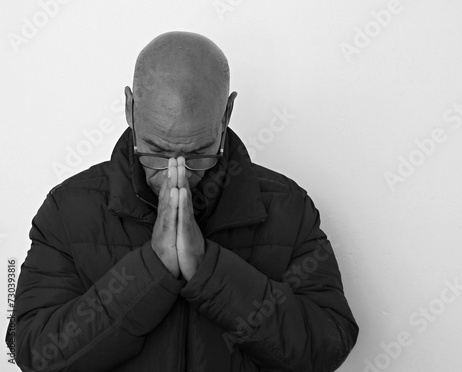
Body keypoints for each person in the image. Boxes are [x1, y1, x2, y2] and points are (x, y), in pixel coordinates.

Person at [6, 31, 358, 372]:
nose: (177, 174)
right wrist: (151, 268)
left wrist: (209, 270)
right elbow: (36, 353)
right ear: (130, 108)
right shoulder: (68, 210)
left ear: (227, 114)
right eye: (156, 152)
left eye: (199, 153)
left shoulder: (289, 209)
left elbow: (327, 347)